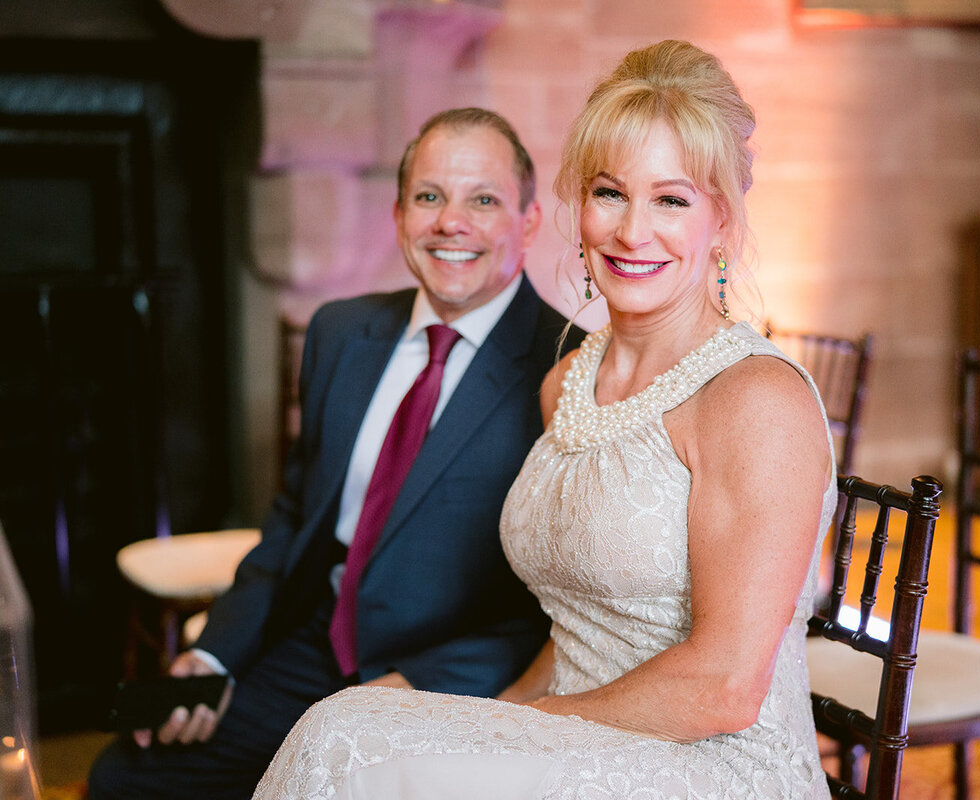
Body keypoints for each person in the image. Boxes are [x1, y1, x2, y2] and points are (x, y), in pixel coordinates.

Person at [253, 39, 838, 800]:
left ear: (721, 220)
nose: (632, 232)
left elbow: (723, 688)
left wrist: (515, 734)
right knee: (349, 721)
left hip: (709, 764)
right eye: (609, 193)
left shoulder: (754, 399)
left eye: (672, 199)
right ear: (576, 206)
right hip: (577, 735)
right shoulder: (566, 381)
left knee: (350, 740)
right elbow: (572, 636)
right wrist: (492, 721)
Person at [88, 107, 583, 799]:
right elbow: (295, 520)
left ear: (528, 222)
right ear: (400, 212)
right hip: (318, 645)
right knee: (126, 778)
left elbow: (564, 602)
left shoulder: (573, 369)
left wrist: (422, 681)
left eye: (485, 200)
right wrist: (212, 653)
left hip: (450, 678)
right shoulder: (341, 333)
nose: (451, 221)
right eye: (430, 196)